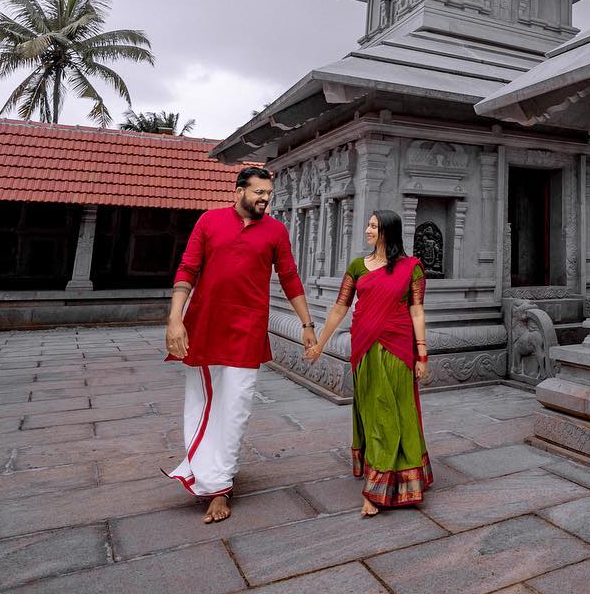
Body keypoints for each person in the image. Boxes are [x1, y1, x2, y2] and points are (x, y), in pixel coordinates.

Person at [164, 166, 317, 523]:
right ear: (238, 191)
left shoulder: (276, 231)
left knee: (236, 408)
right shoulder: (209, 222)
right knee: (202, 404)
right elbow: (187, 269)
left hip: (248, 330)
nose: (265, 199)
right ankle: (206, 471)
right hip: (204, 327)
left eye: (269, 194)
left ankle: (220, 486)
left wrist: (307, 325)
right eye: (259, 192)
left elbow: (290, 277)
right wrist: (175, 318)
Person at [305, 209, 432, 515]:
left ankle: (377, 489)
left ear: (388, 231)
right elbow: (339, 308)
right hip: (363, 347)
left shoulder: (412, 268)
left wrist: (423, 354)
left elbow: (416, 312)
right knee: (371, 411)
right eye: (369, 225)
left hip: (398, 348)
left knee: (392, 411)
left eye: (374, 226)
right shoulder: (358, 267)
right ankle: (389, 473)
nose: (368, 230)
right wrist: (320, 343)